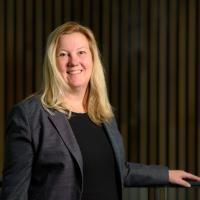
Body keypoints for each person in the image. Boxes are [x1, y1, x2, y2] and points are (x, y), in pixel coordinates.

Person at [1, 21, 200, 200]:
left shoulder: (102, 113)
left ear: (93, 59)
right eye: (63, 54)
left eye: (81, 52)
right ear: (53, 63)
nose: (73, 61)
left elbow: (118, 170)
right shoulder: (29, 115)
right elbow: (14, 192)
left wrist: (166, 175)